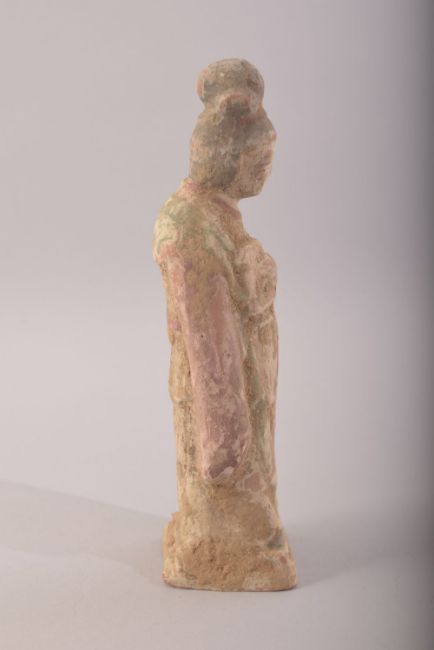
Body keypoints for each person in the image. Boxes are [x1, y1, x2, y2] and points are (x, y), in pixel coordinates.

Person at [152, 58, 296, 591]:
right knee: (234, 507)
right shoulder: (193, 231)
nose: (267, 170)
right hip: (228, 424)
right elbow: (211, 351)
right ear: (229, 157)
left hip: (246, 394)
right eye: (261, 159)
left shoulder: (211, 216)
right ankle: (224, 546)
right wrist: (227, 451)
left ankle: (219, 528)